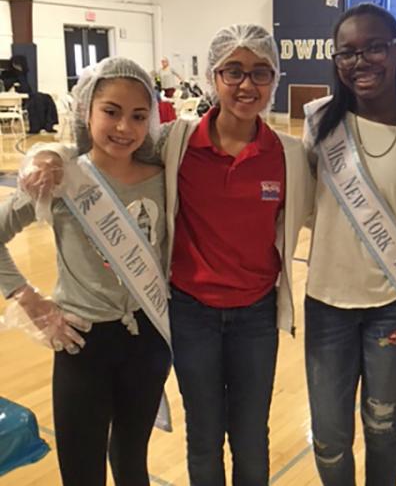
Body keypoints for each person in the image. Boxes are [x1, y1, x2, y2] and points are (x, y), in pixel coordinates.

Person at [20, 25, 314, 486]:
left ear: (275, 79)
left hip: (255, 315)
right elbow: (101, 148)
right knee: (202, 436)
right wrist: (46, 152)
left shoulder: (290, 155)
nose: (246, 84)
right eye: (232, 71)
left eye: (261, 72)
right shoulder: (175, 142)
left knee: (252, 436)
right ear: (214, 75)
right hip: (189, 314)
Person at [0, 57, 171, 486]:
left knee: (133, 463)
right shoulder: (59, 177)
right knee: (81, 471)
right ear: (86, 110)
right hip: (82, 345)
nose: (124, 128)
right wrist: (28, 299)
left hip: (148, 343)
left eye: (138, 116)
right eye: (111, 111)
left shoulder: (165, 177)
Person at [303, 3, 396, 486]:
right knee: (328, 435)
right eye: (348, 52)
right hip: (326, 304)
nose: (361, 61)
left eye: (374, 48)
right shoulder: (319, 123)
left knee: (383, 427)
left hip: (394, 305)